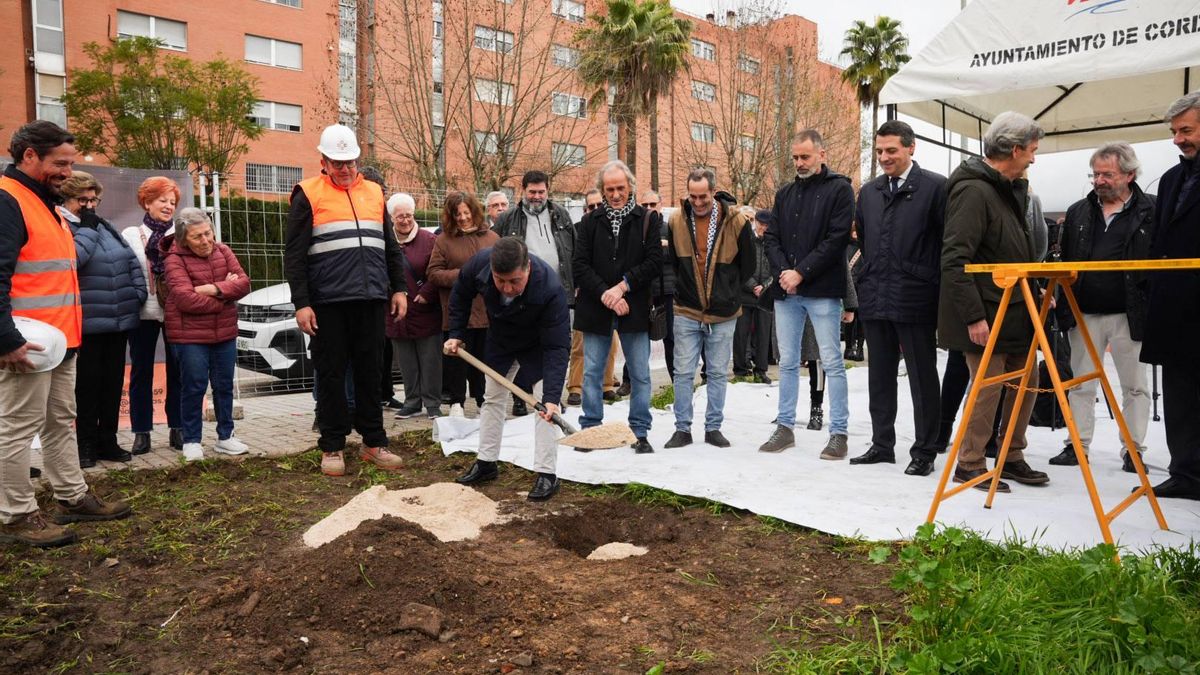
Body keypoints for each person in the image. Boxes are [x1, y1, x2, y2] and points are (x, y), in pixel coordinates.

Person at [0, 120, 130, 549]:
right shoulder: (9, 202)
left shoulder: (47, 204)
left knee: (60, 422)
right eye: (60, 163)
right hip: (28, 344)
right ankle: (16, 515)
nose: (66, 172)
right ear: (29, 156)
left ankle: (72, 497)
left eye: (70, 163)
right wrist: (7, 340)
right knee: (18, 428)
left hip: (60, 341)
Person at [284, 123, 408, 477]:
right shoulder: (307, 194)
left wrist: (398, 288)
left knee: (372, 372)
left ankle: (374, 441)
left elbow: (389, 247)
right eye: (337, 162)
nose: (345, 168)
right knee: (331, 374)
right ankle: (333, 446)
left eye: (350, 161)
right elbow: (294, 254)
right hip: (328, 302)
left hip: (370, 299)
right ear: (323, 161)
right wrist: (302, 302)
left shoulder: (374, 193)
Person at [939, 111, 1050, 493]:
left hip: (1016, 307)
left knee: (1028, 381)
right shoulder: (973, 190)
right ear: (1015, 149)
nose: (1034, 158)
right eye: (1032, 151)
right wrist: (973, 317)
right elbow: (956, 259)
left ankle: (1011, 455)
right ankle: (970, 463)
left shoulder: (1009, 187)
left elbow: (1012, 250)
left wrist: (1033, 291)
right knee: (987, 387)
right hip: (987, 311)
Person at [849, 121, 947, 477]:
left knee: (922, 378)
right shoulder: (870, 192)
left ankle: (925, 450)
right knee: (880, 375)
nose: (884, 157)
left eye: (891, 150)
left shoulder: (936, 188)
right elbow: (865, 241)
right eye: (879, 151)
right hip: (876, 296)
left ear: (911, 148)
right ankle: (881, 444)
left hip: (916, 297)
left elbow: (945, 246)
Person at [1050, 142, 1154, 474]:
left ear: (1130, 174)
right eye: (1095, 174)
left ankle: (1133, 449)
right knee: (1080, 382)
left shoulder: (1151, 210)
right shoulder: (1079, 210)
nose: (1099, 180)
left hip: (1130, 312)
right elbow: (1064, 258)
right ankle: (1076, 445)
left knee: (1135, 384)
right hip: (1084, 311)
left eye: (1107, 174)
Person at [450, 237, 570, 500]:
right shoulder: (480, 265)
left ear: (527, 267)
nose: (506, 288)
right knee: (492, 399)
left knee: (545, 409)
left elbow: (557, 347)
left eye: (514, 281)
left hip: (538, 345)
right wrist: (457, 332)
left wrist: (551, 397)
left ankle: (546, 474)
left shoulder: (549, 288)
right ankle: (486, 462)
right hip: (502, 339)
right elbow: (460, 293)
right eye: (500, 280)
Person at [758, 129, 853, 458]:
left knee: (831, 361)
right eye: (795, 157)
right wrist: (786, 272)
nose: (799, 162)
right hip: (788, 292)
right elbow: (772, 238)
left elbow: (837, 239)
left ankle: (838, 432)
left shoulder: (840, 189)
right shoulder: (785, 194)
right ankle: (784, 427)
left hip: (823, 290)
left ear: (821, 154)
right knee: (786, 362)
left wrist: (802, 272)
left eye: (805, 157)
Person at [573, 160, 662, 454]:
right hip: (596, 306)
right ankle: (591, 430)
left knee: (640, 372)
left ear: (630, 187)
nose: (615, 194)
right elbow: (580, 265)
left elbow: (653, 263)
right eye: (609, 189)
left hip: (634, 306)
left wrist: (623, 287)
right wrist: (606, 294)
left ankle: (640, 431)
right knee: (592, 371)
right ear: (602, 190)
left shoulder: (648, 220)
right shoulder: (588, 222)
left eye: (620, 188)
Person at [662, 169, 755, 449]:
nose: (698, 202)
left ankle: (713, 427)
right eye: (693, 196)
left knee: (716, 371)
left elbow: (748, 264)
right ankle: (682, 429)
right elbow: (676, 264)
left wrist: (728, 291)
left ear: (713, 192)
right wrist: (684, 289)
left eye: (703, 196)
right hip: (687, 310)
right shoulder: (677, 220)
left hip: (723, 312)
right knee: (682, 372)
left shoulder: (736, 221)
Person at [59, 172, 147, 467]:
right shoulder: (63, 226)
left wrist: (137, 294)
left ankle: (107, 441)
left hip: (119, 319)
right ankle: (85, 446)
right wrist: (86, 227)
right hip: (86, 323)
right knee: (87, 387)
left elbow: (130, 260)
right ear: (65, 200)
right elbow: (75, 258)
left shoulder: (103, 225)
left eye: (92, 199)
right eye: (81, 200)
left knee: (112, 385)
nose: (88, 206)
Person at [1139, 93, 1200, 500]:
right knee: (1180, 395)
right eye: (1175, 132)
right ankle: (1186, 473)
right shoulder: (1172, 179)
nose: (1178, 139)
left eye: (1187, 130)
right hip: (1176, 309)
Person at [161, 208, 252, 460]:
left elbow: (244, 283)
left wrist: (212, 288)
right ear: (183, 239)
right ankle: (191, 441)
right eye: (197, 237)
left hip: (224, 333)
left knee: (224, 386)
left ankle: (226, 436)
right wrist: (225, 295)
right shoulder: (173, 259)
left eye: (208, 233)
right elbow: (184, 299)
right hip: (189, 336)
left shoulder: (223, 251)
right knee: (194, 386)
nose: (206, 241)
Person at [492, 170, 575, 417]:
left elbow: (573, 251)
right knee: (525, 347)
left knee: (556, 347)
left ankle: (549, 397)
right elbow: (494, 253)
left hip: (558, 293)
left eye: (541, 192)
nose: (537, 196)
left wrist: (575, 285)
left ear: (548, 190)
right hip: (522, 294)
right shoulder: (508, 219)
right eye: (532, 192)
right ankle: (521, 395)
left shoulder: (561, 215)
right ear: (523, 191)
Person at [122, 177, 184, 454]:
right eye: (162, 200)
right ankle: (141, 433)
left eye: (172, 202)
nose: (168, 206)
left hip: (177, 312)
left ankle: (178, 428)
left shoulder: (182, 233)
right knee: (141, 372)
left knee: (178, 371)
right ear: (147, 202)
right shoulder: (131, 235)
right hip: (142, 312)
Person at [427, 191, 499, 417]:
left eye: (466, 213)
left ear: (475, 212)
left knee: (482, 362)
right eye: (457, 214)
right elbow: (433, 273)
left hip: (486, 313)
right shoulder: (443, 240)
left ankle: (482, 403)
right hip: (457, 312)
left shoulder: (492, 238)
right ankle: (457, 404)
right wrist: (463, 276)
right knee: (456, 362)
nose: (463, 218)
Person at [385, 193, 443, 420]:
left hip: (424, 309)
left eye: (409, 215)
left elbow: (437, 269)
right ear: (392, 218)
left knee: (430, 359)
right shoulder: (386, 241)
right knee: (406, 360)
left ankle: (432, 403)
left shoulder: (430, 240)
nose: (406, 220)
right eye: (400, 217)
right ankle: (412, 401)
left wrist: (427, 293)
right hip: (396, 312)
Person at [565, 189, 620, 406]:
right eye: (591, 206)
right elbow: (574, 262)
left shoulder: (616, 229)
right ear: (585, 209)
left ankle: (606, 385)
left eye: (599, 205)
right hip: (586, 294)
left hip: (612, 293)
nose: (595, 209)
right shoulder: (578, 230)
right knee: (580, 344)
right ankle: (575, 387)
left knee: (611, 342)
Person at [359, 166, 403, 411]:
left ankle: (385, 393)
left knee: (383, 351)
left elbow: (392, 253)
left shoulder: (381, 216)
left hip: (381, 293)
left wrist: (398, 289)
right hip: (360, 295)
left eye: (382, 191)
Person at [734, 209, 774, 384]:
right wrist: (752, 286)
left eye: (767, 225)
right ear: (756, 222)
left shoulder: (772, 243)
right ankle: (741, 369)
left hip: (765, 295)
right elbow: (739, 265)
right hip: (744, 293)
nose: (764, 228)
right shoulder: (746, 238)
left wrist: (764, 286)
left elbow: (776, 267)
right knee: (741, 333)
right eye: (761, 224)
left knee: (763, 333)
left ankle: (761, 369)